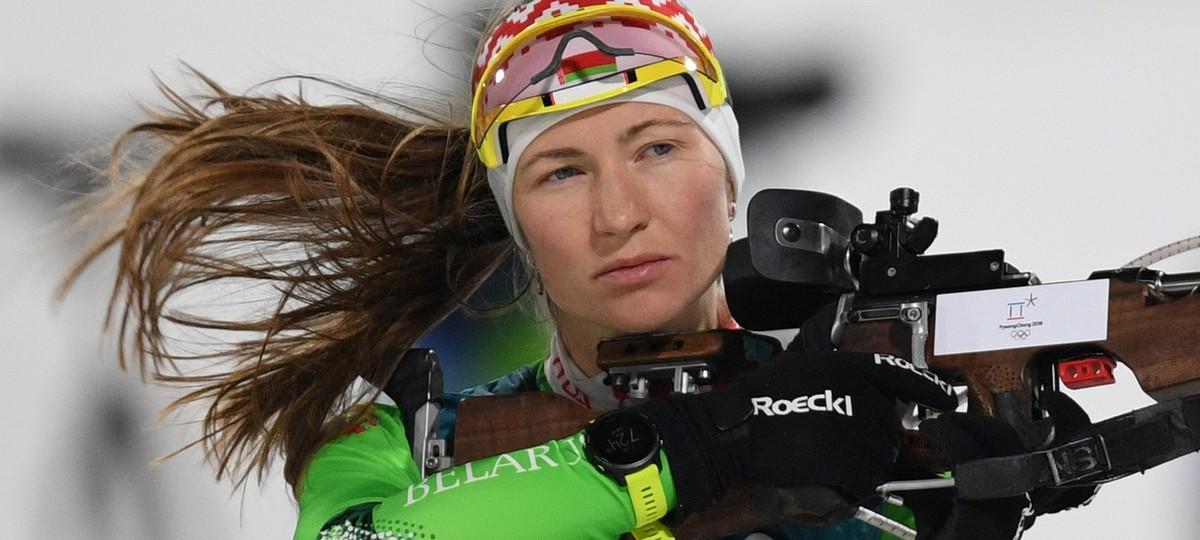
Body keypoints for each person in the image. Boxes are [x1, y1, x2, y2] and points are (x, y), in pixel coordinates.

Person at [68, 1, 1082, 539]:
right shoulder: (393, 441)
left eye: (659, 148)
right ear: (514, 221)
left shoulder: (870, 402)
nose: (617, 214)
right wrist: (690, 452)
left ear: (732, 181)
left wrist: (974, 504)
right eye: (560, 172)